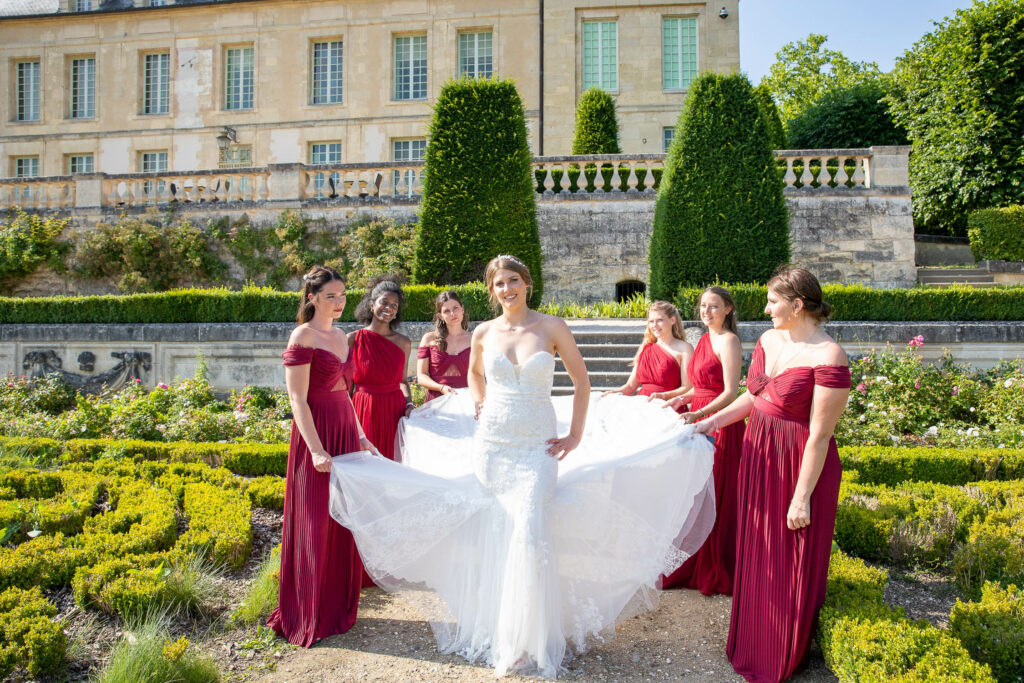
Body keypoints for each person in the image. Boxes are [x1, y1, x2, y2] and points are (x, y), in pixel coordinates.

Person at [328, 255, 717, 678]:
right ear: (492, 290)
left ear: (526, 284)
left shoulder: (552, 327)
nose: (507, 289)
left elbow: (582, 382)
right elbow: (475, 374)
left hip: (536, 447)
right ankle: (502, 630)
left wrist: (575, 436)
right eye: (499, 283)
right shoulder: (484, 331)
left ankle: (529, 639)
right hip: (493, 444)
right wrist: (479, 402)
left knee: (529, 531)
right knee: (498, 532)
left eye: (513, 280)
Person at [693, 268, 850, 683]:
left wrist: (801, 497)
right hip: (758, 454)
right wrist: (712, 422)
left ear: (797, 305)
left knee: (789, 556)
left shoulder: (829, 355)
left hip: (798, 465)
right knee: (757, 548)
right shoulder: (767, 340)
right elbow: (753, 397)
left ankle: (781, 650)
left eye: (773, 302)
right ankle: (752, 639)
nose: (765, 309)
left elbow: (819, 434)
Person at [267, 265, 379, 647]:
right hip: (316, 435)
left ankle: (336, 607)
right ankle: (308, 609)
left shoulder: (343, 337)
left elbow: (345, 394)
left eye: (343, 296)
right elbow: (297, 399)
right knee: (315, 520)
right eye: (330, 296)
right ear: (312, 297)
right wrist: (316, 449)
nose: (338, 303)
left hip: (344, 432)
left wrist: (361, 435)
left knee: (342, 520)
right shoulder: (303, 335)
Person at [662, 286, 744, 594]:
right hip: (697, 418)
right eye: (703, 306)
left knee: (717, 493)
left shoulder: (729, 341)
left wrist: (701, 415)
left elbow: (730, 392)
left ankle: (715, 562)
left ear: (728, 310)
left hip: (720, 424)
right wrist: (679, 400)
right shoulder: (703, 340)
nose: (706, 311)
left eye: (714, 306)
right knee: (695, 492)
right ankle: (693, 558)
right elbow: (699, 386)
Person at [347, 276, 413, 461]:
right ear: (371, 304)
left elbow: (403, 381)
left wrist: (409, 404)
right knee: (365, 464)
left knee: (392, 465)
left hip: (394, 410)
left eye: (394, 305)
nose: (389, 308)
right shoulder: (353, 339)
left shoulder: (403, 343)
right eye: (384, 302)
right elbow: (347, 386)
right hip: (363, 409)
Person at [604, 301, 693, 412]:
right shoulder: (646, 348)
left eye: (659, 320)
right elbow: (630, 387)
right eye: (651, 321)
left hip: (669, 408)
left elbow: (687, 388)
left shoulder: (685, 348)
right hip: (643, 409)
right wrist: (613, 393)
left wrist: (663, 396)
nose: (654, 325)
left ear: (672, 320)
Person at [416, 290, 471, 402]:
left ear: (462, 309)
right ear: (440, 316)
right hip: (436, 402)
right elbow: (421, 375)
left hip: (467, 401)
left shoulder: (474, 339)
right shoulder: (429, 339)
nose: (452, 314)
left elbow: (481, 374)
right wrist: (441, 388)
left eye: (456, 308)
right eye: (446, 311)